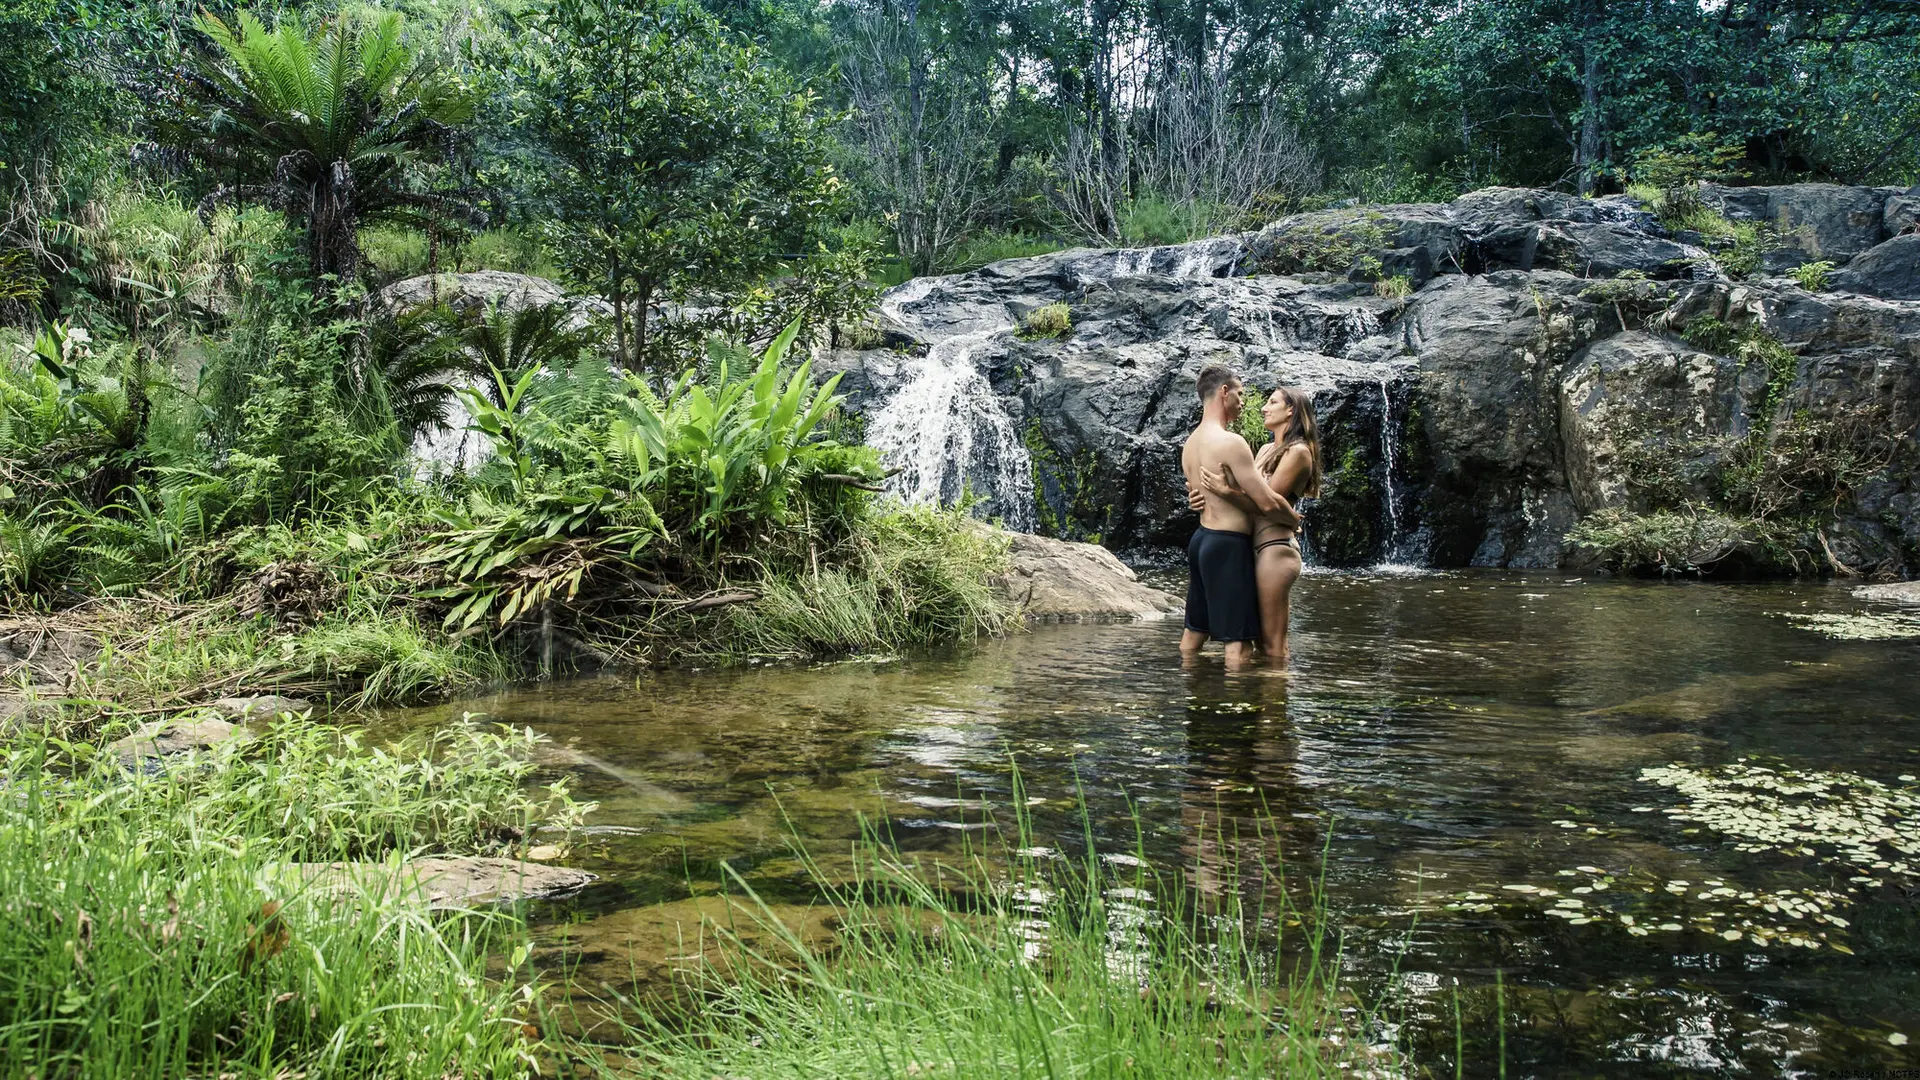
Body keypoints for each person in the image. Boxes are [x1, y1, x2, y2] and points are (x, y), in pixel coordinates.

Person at [1179, 365, 1299, 666]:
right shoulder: (1231, 443)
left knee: (1193, 634)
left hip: (1201, 541)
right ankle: (1238, 710)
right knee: (1239, 646)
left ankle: (1192, 693)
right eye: (1240, 394)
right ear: (1224, 392)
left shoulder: (1190, 443)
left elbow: (1199, 496)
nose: (1243, 402)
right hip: (1228, 544)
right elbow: (1268, 503)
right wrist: (1293, 519)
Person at [1192, 385, 1323, 661]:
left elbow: (1266, 505)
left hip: (1275, 548)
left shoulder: (1298, 452)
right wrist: (1202, 497)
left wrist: (1226, 493)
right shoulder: (1264, 449)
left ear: (1291, 410)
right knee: (1257, 639)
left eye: (1272, 402)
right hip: (1251, 549)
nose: (1264, 407)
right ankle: (1257, 696)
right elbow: (1245, 493)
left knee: (1273, 645)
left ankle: (1275, 703)